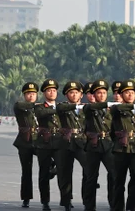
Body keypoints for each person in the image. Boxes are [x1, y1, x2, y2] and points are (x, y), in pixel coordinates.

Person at [80, 79, 116, 211]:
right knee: (91, 177)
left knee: (114, 174)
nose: (101, 95)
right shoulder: (88, 108)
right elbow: (92, 107)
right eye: (99, 93)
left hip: (108, 145)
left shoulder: (110, 110)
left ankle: (114, 203)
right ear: (93, 95)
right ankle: (89, 206)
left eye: (104, 93)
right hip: (93, 146)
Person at [108, 81, 135, 211]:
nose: (130, 95)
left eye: (133, 93)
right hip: (120, 149)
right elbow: (116, 110)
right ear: (121, 95)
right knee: (118, 182)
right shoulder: (117, 108)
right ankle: (117, 207)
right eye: (127, 93)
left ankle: (132, 206)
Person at [54, 81, 86, 211]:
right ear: (67, 95)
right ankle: (66, 200)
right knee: (64, 172)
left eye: (76, 92)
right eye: (71, 93)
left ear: (81, 95)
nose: (73, 95)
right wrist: (75, 106)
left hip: (81, 142)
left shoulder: (84, 108)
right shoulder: (62, 106)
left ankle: (88, 198)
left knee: (89, 168)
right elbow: (60, 109)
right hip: (65, 143)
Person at [34, 79, 64, 211]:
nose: (52, 92)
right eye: (49, 90)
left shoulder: (62, 106)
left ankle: (66, 200)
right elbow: (41, 114)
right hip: (44, 143)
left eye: (54, 90)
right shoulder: (39, 106)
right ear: (44, 93)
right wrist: (57, 109)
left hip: (59, 143)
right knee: (44, 174)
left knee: (63, 172)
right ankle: (45, 201)